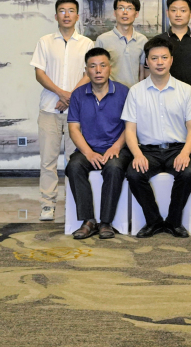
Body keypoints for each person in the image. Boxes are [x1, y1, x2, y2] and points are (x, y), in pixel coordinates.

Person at [122, 36, 191, 238]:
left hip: (178, 149)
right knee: (134, 174)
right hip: (148, 151)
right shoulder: (136, 92)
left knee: (187, 173)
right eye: (154, 58)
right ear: (147, 62)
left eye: (164, 57)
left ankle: (174, 222)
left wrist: (185, 153)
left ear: (171, 60)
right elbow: (130, 130)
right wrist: (137, 155)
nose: (159, 62)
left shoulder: (185, 90)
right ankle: (154, 221)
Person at [30, 0, 94, 221]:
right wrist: (61, 93)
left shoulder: (87, 44)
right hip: (49, 109)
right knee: (48, 161)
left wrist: (69, 98)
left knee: (74, 161)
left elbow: (89, 74)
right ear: (56, 15)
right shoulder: (45, 42)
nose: (67, 15)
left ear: (77, 15)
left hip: (77, 114)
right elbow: (39, 73)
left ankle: (73, 204)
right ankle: (47, 204)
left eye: (71, 10)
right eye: (62, 11)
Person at [65, 48, 131, 239]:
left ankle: (106, 222)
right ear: (86, 70)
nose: (98, 70)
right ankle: (88, 221)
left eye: (103, 65)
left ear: (110, 68)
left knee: (114, 167)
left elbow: (130, 127)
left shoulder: (124, 92)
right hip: (88, 148)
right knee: (74, 167)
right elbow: (74, 129)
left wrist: (116, 147)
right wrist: (88, 153)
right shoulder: (78, 95)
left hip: (117, 147)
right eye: (93, 66)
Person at [95, 0, 148, 88]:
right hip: (110, 93)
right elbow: (97, 70)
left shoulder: (143, 40)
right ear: (115, 12)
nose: (125, 12)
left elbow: (142, 71)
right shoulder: (102, 40)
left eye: (129, 8)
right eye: (121, 8)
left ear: (136, 14)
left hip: (134, 93)